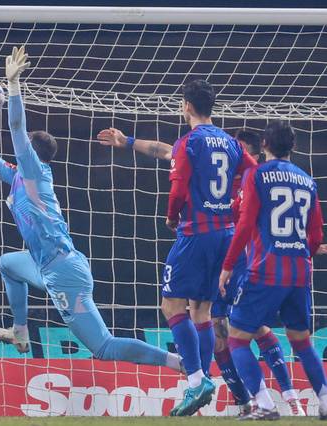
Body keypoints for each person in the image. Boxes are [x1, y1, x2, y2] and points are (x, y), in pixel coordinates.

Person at [0, 46, 184, 372]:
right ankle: (21, 332)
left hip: (64, 273)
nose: (17, 150)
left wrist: (14, 88)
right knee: (7, 264)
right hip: (45, 264)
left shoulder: (35, 172)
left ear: (32, 152)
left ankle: (177, 362)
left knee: (104, 346)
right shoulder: (18, 177)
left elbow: (15, 129)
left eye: (24, 147)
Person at [97, 127, 305, 415]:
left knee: (246, 326)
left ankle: (289, 399)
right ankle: (245, 402)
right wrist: (129, 141)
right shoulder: (216, 166)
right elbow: (164, 150)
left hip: (239, 257)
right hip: (219, 250)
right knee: (211, 322)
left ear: (252, 154)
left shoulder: (254, 178)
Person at [98, 80, 256, 416]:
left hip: (196, 233)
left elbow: (178, 186)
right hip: (226, 235)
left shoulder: (190, 142)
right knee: (202, 312)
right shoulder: (230, 143)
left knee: (171, 306)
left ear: (186, 106)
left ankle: (197, 380)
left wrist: (172, 217)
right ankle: (204, 379)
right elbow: (253, 173)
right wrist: (126, 140)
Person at [220, 120, 327, 420]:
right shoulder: (308, 180)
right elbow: (316, 235)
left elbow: (243, 225)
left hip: (266, 269)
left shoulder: (256, 175)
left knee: (237, 338)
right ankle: (325, 399)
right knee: (302, 341)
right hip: (299, 272)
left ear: (264, 145)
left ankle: (264, 403)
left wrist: (227, 266)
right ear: (292, 147)